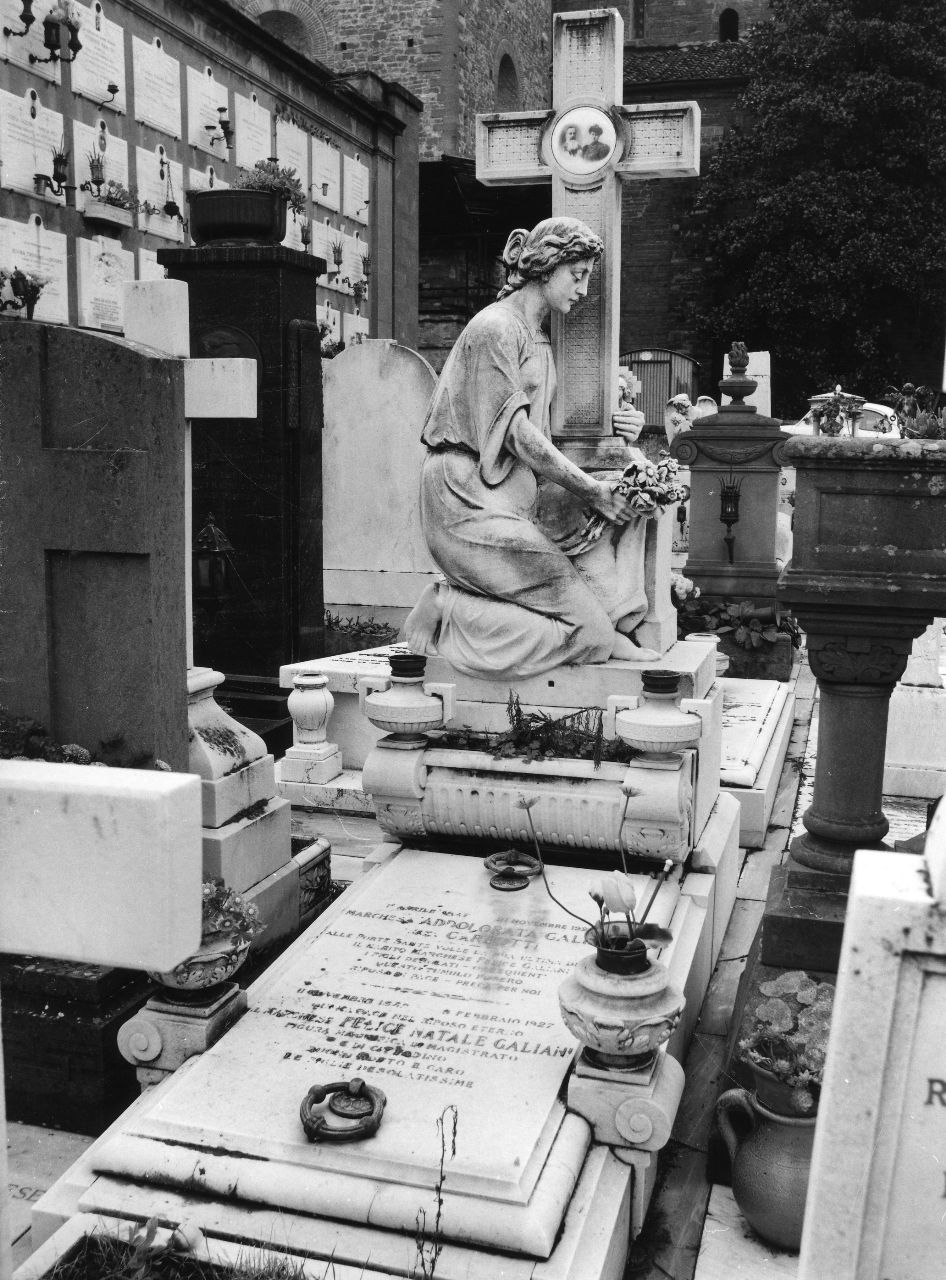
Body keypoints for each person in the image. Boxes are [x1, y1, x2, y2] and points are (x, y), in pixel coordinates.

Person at [405, 217, 656, 680]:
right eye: (576, 275)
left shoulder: (538, 337)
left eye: (587, 278)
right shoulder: (494, 328)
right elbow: (518, 434)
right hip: (465, 499)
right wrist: (588, 489)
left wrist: (623, 438)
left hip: (512, 496)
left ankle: (477, 602)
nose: (582, 290)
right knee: (592, 635)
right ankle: (449, 603)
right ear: (545, 267)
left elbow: (543, 441)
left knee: (632, 496)